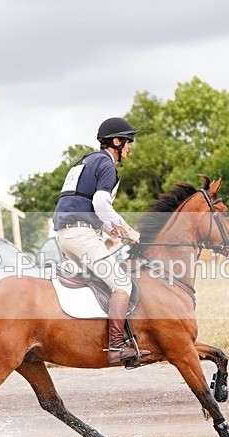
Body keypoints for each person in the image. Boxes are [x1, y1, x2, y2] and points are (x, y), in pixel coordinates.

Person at [53, 117, 149, 364]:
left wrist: (109, 227)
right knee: (121, 283)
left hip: (66, 235)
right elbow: (100, 203)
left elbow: (83, 203)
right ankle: (116, 346)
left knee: (99, 282)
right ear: (116, 142)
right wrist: (127, 230)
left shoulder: (85, 161)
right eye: (128, 142)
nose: (130, 147)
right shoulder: (106, 164)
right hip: (81, 235)